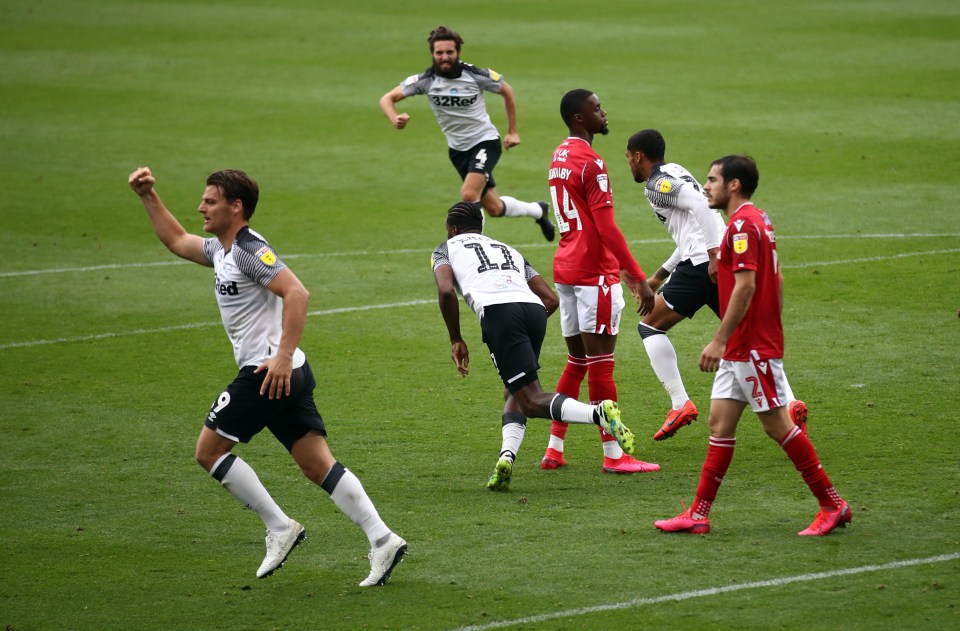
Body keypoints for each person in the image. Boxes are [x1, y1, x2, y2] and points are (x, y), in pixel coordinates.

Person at [127, 167, 407, 585]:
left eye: (210, 200)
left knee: (209, 452)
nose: (201, 207)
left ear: (235, 207)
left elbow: (297, 292)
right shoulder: (222, 250)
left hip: (267, 372)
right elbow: (176, 240)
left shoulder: (248, 249)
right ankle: (383, 539)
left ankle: (279, 527)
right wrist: (148, 196)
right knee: (317, 465)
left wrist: (282, 355)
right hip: (285, 374)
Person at [654, 155, 851, 536]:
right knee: (719, 424)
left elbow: (746, 286)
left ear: (734, 185)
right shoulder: (758, 220)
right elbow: (773, 283)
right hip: (745, 346)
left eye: (712, 180)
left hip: (749, 346)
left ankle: (833, 504)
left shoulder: (742, 226)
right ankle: (698, 514)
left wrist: (720, 339)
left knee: (779, 427)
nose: (705, 186)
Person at [432, 201, 636, 491]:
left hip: (499, 313)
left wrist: (456, 338)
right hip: (533, 310)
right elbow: (550, 300)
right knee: (515, 389)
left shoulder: (445, 249)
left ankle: (598, 414)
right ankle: (506, 458)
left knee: (531, 398)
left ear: (452, 229)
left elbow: (444, 290)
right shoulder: (506, 249)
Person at [625, 130, 808, 440]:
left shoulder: (656, 185)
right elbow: (692, 227)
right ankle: (790, 405)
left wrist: (711, 254)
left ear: (638, 156)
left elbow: (699, 205)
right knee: (744, 335)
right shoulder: (676, 170)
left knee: (650, 327)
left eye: (628, 157)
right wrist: (661, 274)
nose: (628, 162)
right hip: (711, 260)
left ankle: (679, 403)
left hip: (702, 263)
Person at [539, 89, 660, 474]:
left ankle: (554, 448)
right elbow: (606, 227)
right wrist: (639, 279)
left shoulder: (560, 154)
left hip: (566, 266)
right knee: (601, 365)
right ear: (579, 118)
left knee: (576, 360)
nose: (603, 114)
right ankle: (614, 455)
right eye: (596, 109)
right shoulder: (592, 163)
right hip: (593, 272)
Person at [379, 25, 556, 241]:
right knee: (494, 207)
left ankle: (474, 247)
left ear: (458, 53)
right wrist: (394, 118)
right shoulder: (426, 81)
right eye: (439, 53)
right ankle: (538, 211)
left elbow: (506, 90)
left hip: (485, 142)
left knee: (468, 194)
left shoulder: (475, 75)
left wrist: (512, 131)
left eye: (449, 52)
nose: (444, 57)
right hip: (458, 151)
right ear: (433, 54)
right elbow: (387, 98)